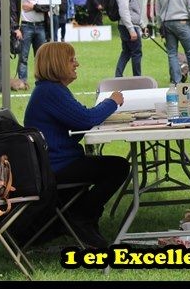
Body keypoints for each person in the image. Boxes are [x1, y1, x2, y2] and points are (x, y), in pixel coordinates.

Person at [23, 42, 129, 248]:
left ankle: (80, 218)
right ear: (57, 64)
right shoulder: (51, 91)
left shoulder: (50, 90)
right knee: (118, 167)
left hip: (57, 162)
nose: (76, 64)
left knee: (109, 167)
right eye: (71, 60)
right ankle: (82, 217)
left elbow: (80, 117)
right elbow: (86, 119)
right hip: (57, 166)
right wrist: (112, 101)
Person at [14, 0, 50, 88]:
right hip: (25, 26)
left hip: (41, 26)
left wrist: (33, 7)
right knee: (23, 57)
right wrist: (16, 27)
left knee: (40, 56)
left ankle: (42, 81)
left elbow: (47, 7)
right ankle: (22, 82)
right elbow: (14, 9)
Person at [114, 0, 146, 77]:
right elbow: (124, 11)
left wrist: (142, 25)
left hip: (128, 25)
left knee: (126, 52)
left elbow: (133, 10)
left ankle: (118, 76)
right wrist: (131, 30)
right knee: (136, 53)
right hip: (128, 26)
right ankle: (137, 78)